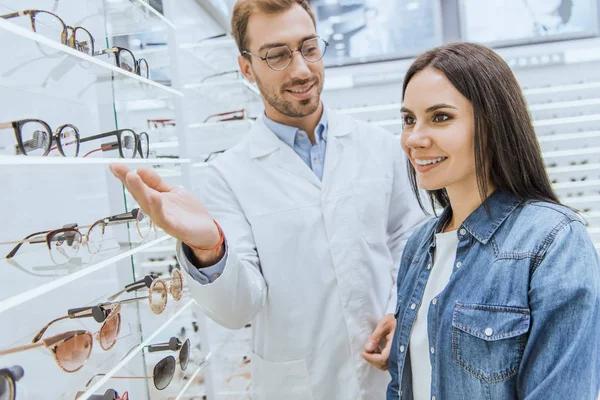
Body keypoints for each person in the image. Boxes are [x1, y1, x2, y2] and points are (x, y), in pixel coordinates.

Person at [110, 0, 425, 398]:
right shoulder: (228, 177)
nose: (301, 70)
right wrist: (209, 249)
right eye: (277, 55)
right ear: (246, 67)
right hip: (299, 386)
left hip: (387, 378)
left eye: (309, 48)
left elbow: (410, 245)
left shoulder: (379, 147)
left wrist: (401, 312)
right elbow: (238, 307)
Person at [387, 42, 600, 399]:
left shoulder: (553, 243)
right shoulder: (419, 245)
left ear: (492, 124)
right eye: (409, 119)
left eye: (440, 117)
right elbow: (401, 385)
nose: (415, 138)